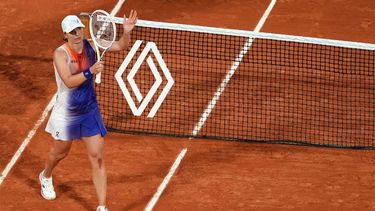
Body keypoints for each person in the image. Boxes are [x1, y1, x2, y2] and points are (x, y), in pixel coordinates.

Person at [39, 10, 137, 211]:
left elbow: (119, 45)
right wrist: (89, 71)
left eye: (79, 30)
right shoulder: (60, 54)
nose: (77, 34)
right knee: (60, 152)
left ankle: (102, 206)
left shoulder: (92, 45)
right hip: (66, 114)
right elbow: (69, 81)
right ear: (65, 34)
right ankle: (46, 175)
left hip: (89, 111)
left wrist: (126, 32)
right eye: (72, 31)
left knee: (97, 156)